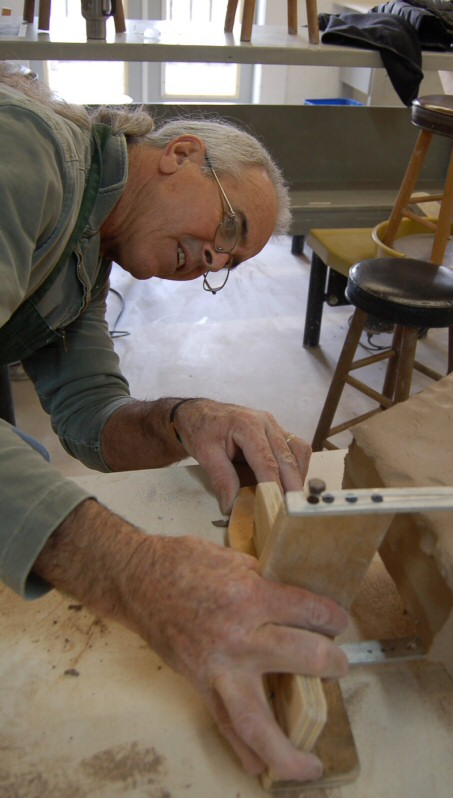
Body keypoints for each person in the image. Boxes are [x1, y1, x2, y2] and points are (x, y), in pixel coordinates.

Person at [0, 64, 349, 781]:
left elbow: (91, 415)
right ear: (180, 153)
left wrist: (185, 419)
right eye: (228, 227)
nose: (213, 259)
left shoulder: (87, 253)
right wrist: (136, 572)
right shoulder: (26, 151)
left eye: (227, 262)